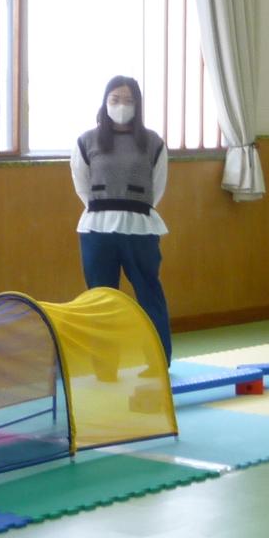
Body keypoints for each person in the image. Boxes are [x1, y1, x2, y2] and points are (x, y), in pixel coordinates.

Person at [72, 75, 172, 362]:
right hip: (96, 230)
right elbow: (81, 183)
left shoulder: (153, 142)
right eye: (115, 99)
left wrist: (132, 208)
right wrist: (104, 208)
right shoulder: (86, 140)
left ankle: (158, 359)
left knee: (149, 292)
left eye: (128, 100)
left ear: (138, 105)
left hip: (140, 229)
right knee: (101, 298)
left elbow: (158, 185)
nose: (121, 105)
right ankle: (105, 364)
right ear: (105, 103)